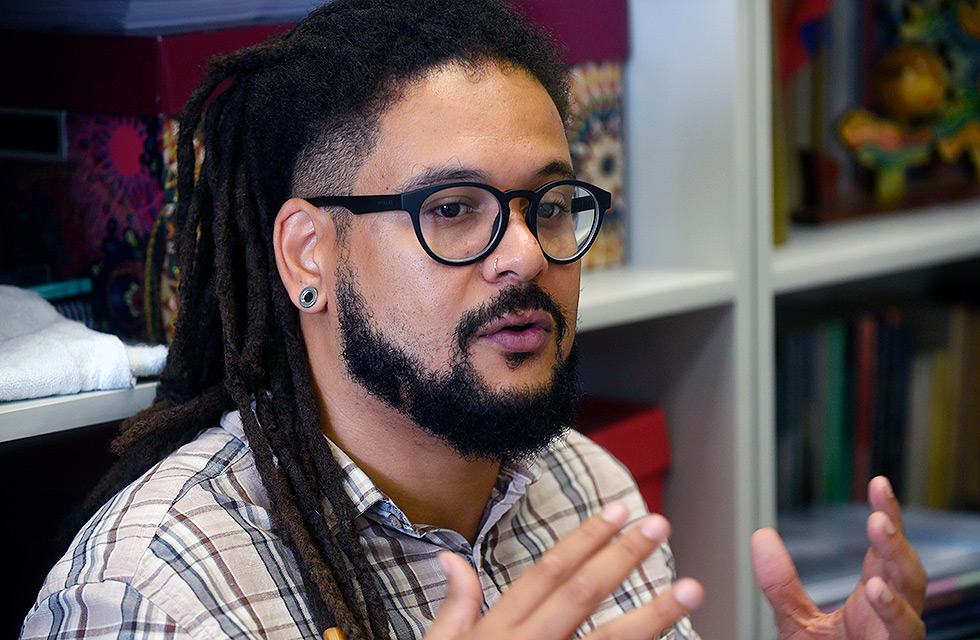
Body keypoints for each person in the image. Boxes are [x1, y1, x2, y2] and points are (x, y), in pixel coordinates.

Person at [21, 0, 927, 638]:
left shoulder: (585, 485)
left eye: (551, 206)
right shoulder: (155, 592)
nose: (526, 254)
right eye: (452, 209)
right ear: (309, 255)